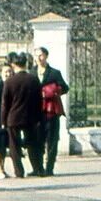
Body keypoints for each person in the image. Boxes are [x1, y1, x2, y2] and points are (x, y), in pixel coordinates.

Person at [0, 52, 44, 178]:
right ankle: (38, 168)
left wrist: (3, 120)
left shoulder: (9, 82)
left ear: (14, 65)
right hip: (30, 117)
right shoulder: (33, 79)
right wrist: (38, 118)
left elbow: (5, 104)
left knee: (14, 145)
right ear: (26, 63)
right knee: (32, 143)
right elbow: (39, 101)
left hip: (13, 117)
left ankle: (19, 171)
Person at [34, 47, 70, 176]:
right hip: (37, 112)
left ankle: (49, 167)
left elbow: (65, 88)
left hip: (51, 111)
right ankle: (38, 167)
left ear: (46, 56)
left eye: (41, 55)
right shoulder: (32, 72)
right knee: (38, 140)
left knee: (52, 140)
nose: (39, 58)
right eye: (36, 55)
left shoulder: (54, 73)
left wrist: (54, 90)